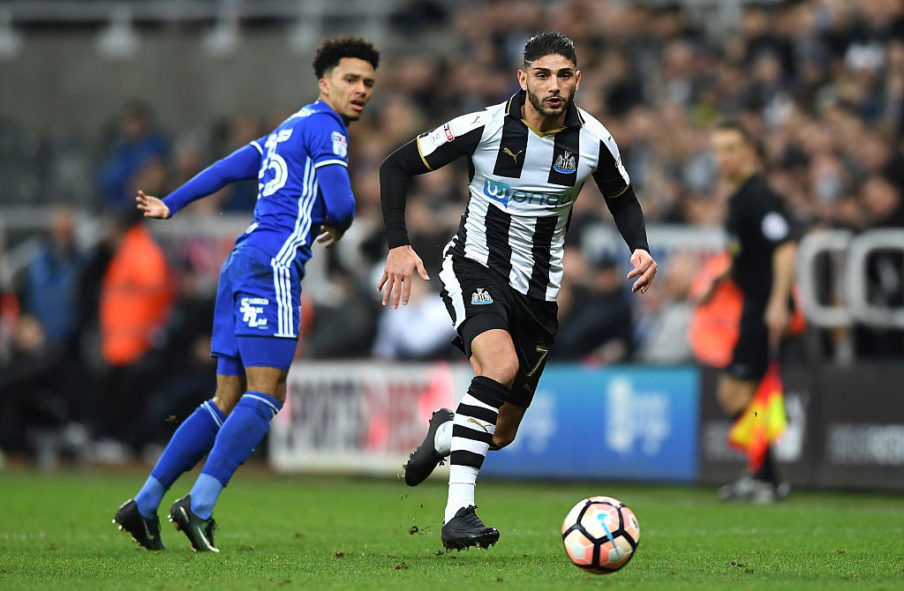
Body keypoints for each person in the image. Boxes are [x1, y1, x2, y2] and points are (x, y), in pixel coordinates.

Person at [378, 32, 657, 550]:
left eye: (565, 75)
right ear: (523, 77)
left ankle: (444, 433)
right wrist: (399, 244)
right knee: (499, 367)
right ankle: (459, 513)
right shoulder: (483, 126)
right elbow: (395, 165)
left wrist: (638, 247)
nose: (555, 85)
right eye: (544, 74)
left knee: (500, 431)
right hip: (474, 267)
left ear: (578, 80)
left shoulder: (593, 139)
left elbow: (623, 199)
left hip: (540, 293)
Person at [113, 37, 379, 552]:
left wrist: (173, 202)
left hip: (241, 262)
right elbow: (343, 204)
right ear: (325, 84)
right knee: (267, 391)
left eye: (368, 82)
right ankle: (200, 505)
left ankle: (144, 504)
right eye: (351, 79)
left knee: (227, 396)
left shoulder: (290, 126)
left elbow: (230, 167)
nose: (361, 90)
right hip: (274, 265)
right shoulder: (327, 128)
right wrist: (337, 224)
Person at [703, 121, 797, 503]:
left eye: (730, 149)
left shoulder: (758, 195)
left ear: (749, 152)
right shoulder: (740, 196)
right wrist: (724, 275)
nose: (722, 158)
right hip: (752, 302)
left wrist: (777, 302)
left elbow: (786, 247)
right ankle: (763, 476)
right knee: (743, 396)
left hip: (763, 305)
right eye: (718, 150)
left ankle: (766, 478)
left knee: (737, 394)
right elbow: (751, 250)